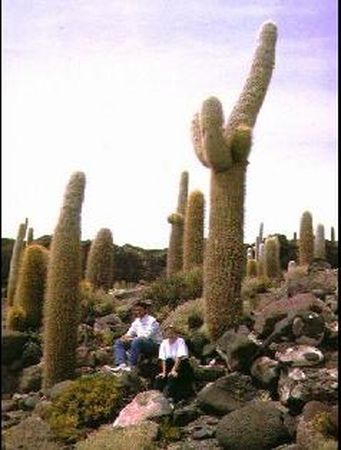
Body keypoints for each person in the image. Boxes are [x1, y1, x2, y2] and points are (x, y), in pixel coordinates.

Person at [111, 300, 162, 372]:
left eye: (140, 310)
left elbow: (146, 336)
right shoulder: (137, 321)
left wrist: (131, 338)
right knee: (119, 342)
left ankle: (132, 365)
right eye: (136, 310)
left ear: (145, 310)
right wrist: (125, 337)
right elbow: (130, 332)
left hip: (154, 345)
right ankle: (121, 364)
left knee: (137, 341)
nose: (137, 312)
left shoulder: (152, 321)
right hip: (139, 342)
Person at [155, 325, 194, 403]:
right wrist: (164, 372)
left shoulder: (180, 341)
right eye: (168, 333)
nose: (170, 334)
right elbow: (163, 359)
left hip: (181, 364)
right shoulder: (164, 343)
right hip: (170, 364)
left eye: (172, 332)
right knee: (160, 378)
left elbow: (179, 357)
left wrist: (174, 370)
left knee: (173, 377)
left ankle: (172, 397)